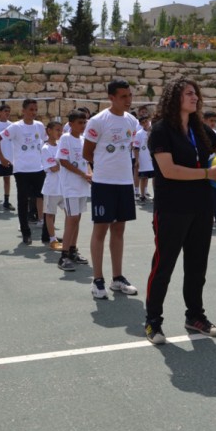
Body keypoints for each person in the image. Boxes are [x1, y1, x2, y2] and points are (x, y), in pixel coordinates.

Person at [145, 78, 216, 345]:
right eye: (189, 93)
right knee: (163, 266)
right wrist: (207, 173)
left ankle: (195, 316)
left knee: (196, 267)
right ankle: (153, 321)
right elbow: (169, 170)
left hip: (201, 207)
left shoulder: (200, 128)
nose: (195, 97)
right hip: (172, 208)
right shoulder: (161, 130)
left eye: (196, 93)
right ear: (175, 98)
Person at [83, 79, 139, 299]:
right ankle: (98, 280)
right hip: (104, 183)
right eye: (123, 96)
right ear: (111, 98)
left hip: (125, 183)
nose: (128, 100)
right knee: (100, 231)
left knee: (119, 230)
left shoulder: (132, 121)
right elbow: (87, 152)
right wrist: (102, 170)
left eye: (130, 95)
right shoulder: (98, 121)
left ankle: (117, 278)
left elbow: (127, 150)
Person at [0, 98, 46, 245]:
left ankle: (47, 233)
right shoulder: (16, 127)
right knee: (23, 201)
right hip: (22, 170)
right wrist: (1, 158)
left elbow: (46, 143)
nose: (34, 112)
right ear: (23, 111)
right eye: (31, 109)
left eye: (36, 110)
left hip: (39, 169)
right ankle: (25, 232)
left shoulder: (39, 126)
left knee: (44, 198)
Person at [56, 110, 91, 271]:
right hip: (70, 186)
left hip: (82, 186)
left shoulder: (83, 140)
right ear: (71, 124)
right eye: (79, 123)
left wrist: (90, 174)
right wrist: (83, 174)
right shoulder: (66, 138)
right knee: (72, 218)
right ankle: (63, 256)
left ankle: (72, 250)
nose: (83, 126)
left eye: (84, 123)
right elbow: (63, 161)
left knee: (77, 219)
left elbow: (87, 161)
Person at [41, 121, 64, 251]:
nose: (60, 132)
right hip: (52, 187)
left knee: (70, 213)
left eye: (61, 130)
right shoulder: (46, 148)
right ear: (49, 131)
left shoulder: (61, 145)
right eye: (57, 130)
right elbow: (54, 168)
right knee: (50, 214)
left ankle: (68, 237)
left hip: (64, 187)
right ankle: (52, 239)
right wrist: (65, 164)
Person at [133, 115, 154, 202]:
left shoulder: (154, 131)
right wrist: (137, 160)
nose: (145, 123)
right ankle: (142, 195)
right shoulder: (139, 134)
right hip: (143, 158)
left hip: (153, 158)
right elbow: (136, 148)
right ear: (141, 124)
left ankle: (155, 195)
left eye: (146, 121)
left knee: (155, 177)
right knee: (143, 177)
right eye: (143, 122)